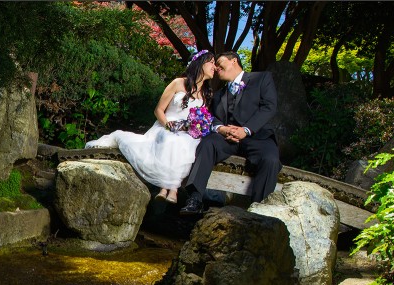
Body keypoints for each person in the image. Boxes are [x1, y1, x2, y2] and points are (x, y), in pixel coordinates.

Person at [85, 50, 216, 204]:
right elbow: (158, 110)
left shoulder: (207, 93)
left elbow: (202, 120)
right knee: (169, 139)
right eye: (212, 62)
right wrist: (169, 124)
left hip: (187, 132)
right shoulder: (178, 83)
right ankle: (166, 188)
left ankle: (170, 189)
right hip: (166, 125)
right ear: (200, 63)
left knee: (186, 143)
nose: (215, 66)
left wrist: (196, 127)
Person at [179, 51, 281, 215]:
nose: (216, 68)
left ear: (234, 61)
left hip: (258, 137)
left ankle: (259, 213)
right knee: (207, 144)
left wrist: (246, 130)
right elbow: (212, 118)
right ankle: (195, 199)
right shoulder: (218, 94)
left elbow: (269, 107)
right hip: (226, 139)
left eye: (219, 63)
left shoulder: (262, 79)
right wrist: (222, 129)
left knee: (271, 160)